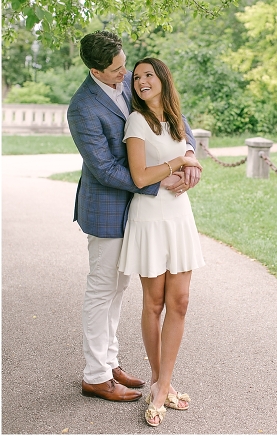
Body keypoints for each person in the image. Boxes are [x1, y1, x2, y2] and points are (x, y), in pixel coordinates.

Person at [68, 31, 199, 402]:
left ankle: (110, 363)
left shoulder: (129, 79)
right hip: (108, 207)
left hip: (140, 211)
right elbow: (106, 169)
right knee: (102, 289)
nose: (126, 74)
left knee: (120, 288)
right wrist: (160, 181)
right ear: (96, 69)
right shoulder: (82, 108)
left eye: (125, 64)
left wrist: (189, 154)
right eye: (116, 69)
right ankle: (95, 375)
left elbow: (173, 113)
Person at [118, 57, 206, 427]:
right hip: (151, 217)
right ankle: (159, 384)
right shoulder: (136, 121)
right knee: (154, 303)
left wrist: (192, 165)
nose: (141, 82)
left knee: (180, 302)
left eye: (148, 75)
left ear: (163, 79)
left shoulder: (176, 119)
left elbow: (191, 154)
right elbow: (139, 176)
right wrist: (175, 164)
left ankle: (164, 383)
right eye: (136, 78)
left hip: (179, 216)